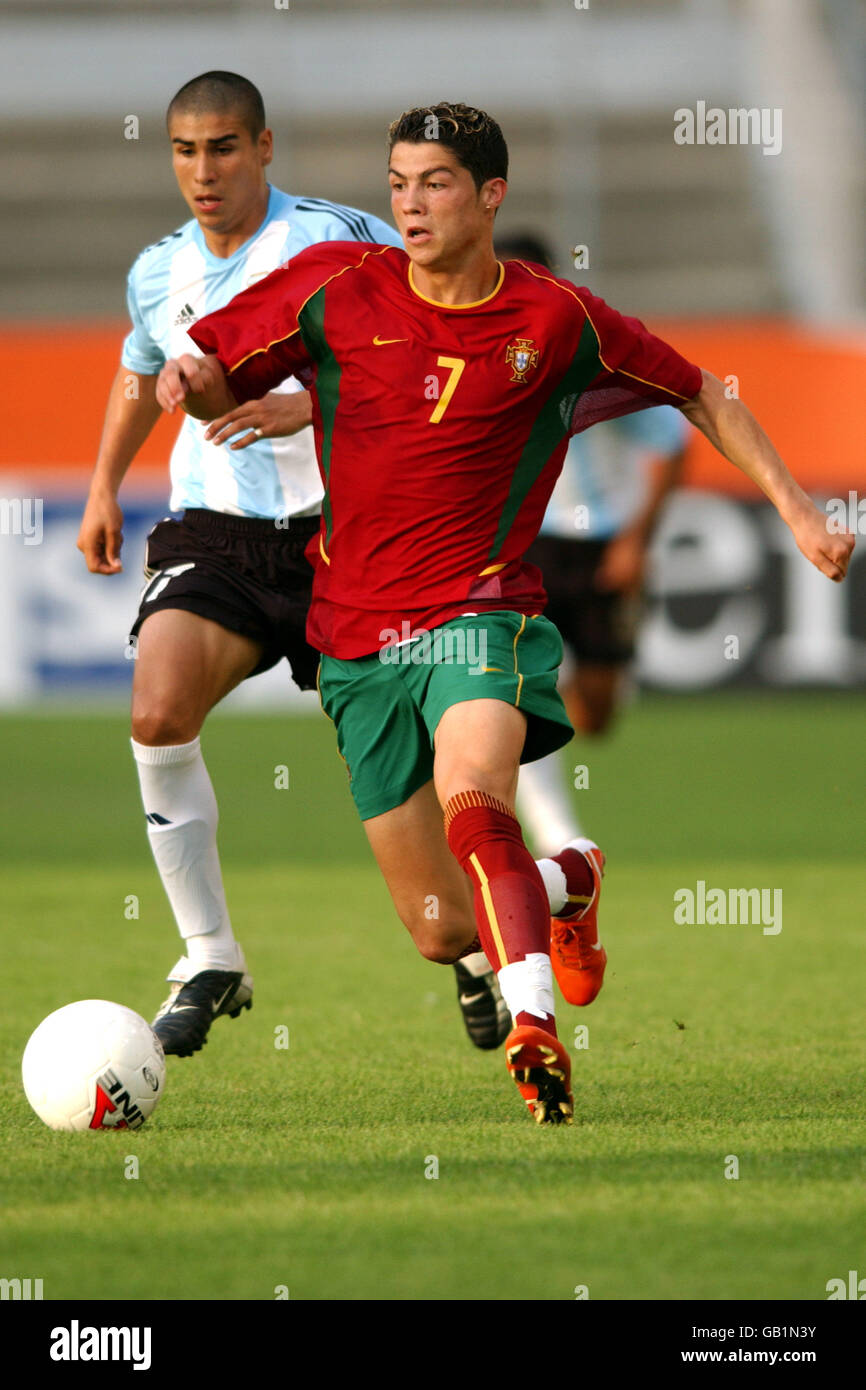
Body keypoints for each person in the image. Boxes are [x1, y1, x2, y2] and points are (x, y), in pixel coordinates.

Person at [155, 102, 853, 1124]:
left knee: (474, 795)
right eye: (397, 182)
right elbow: (216, 371)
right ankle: (568, 878)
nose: (408, 202)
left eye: (432, 181)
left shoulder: (554, 320)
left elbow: (700, 390)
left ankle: (532, 1026)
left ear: (490, 194)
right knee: (440, 929)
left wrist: (797, 512)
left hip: (482, 611)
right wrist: (190, 376)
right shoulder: (337, 289)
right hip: (352, 639)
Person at [76, 71, 403, 1058]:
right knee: (156, 713)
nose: (203, 170)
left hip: (345, 536)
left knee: (421, 847)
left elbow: (422, 336)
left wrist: (317, 402)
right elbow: (139, 373)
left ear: (264, 147)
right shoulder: (156, 270)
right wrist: (102, 485)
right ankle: (210, 955)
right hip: (216, 530)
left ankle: (479, 949)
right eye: (184, 150)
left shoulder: (339, 242)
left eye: (223, 147)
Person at [494, 235, 688, 962]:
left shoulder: (592, 354)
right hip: (528, 544)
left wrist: (637, 541)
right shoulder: (488, 359)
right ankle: (560, 845)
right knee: (517, 696)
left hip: (603, 547)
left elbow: (670, 442)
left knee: (597, 712)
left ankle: (541, 757)